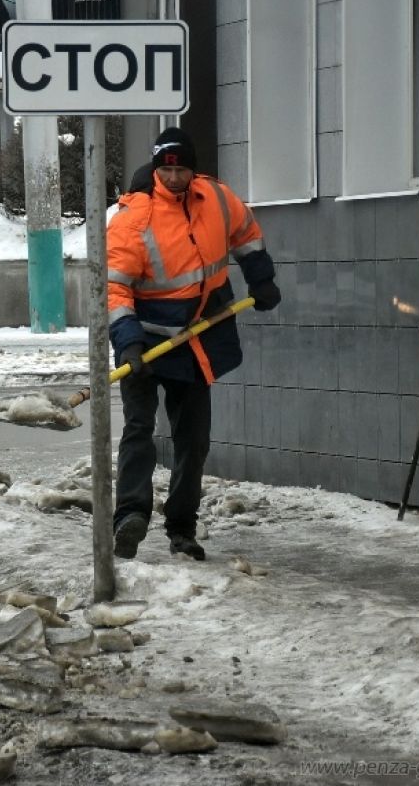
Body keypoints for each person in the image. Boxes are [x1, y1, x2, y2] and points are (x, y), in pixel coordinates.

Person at [107, 127, 281, 561]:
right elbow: (115, 291)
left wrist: (261, 278)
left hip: (196, 336)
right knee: (139, 429)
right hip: (143, 341)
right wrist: (128, 343)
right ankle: (131, 516)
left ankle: (182, 527)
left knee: (193, 439)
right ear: (155, 168)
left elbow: (246, 233)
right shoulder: (134, 218)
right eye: (167, 170)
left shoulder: (217, 199)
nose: (174, 178)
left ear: (193, 169)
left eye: (182, 169)